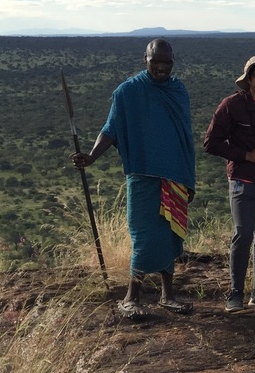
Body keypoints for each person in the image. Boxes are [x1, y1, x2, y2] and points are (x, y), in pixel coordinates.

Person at [71, 38, 195, 320]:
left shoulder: (178, 90)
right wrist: (91, 157)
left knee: (170, 233)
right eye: (156, 62)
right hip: (142, 174)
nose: (161, 67)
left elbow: (185, 138)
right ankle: (131, 298)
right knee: (143, 235)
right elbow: (111, 129)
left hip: (174, 175)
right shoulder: (127, 92)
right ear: (145, 59)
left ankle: (167, 295)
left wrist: (189, 178)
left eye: (167, 62)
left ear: (173, 62)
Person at [203, 55, 255, 314]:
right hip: (243, 182)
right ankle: (235, 292)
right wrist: (246, 155)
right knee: (243, 234)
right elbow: (211, 142)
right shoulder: (232, 105)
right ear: (248, 79)